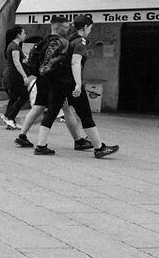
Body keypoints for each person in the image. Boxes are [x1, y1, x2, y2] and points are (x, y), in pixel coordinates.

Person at [33, 15, 119, 159]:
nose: (91, 30)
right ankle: (99, 148)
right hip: (70, 82)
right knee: (85, 114)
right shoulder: (80, 41)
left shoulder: (70, 39)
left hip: (56, 81)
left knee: (51, 112)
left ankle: (41, 146)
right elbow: (75, 62)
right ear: (85, 27)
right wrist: (78, 84)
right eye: (90, 27)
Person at [14, 20, 92, 151]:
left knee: (38, 107)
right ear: (58, 27)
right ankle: (78, 140)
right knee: (67, 108)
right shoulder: (60, 42)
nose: (69, 29)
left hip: (41, 79)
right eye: (66, 27)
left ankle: (22, 135)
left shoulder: (45, 41)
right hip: (53, 80)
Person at [1, 27, 32, 129]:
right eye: (23, 33)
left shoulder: (13, 46)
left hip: (12, 75)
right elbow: (16, 62)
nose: (25, 35)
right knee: (24, 97)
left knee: (14, 98)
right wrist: (24, 76)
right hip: (14, 76)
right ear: (18, 34)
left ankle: (11, 121)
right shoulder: (14, 47)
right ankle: (8, 116)